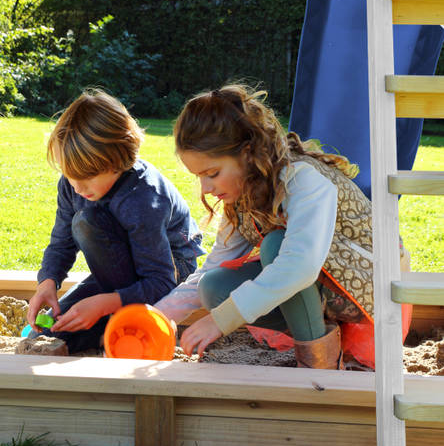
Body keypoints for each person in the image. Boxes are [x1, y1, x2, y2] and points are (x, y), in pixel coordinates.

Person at [154, 84, 411, 370]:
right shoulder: (240, 197)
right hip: (322, 284)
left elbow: (299, 265)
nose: (206, 187)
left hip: (374, 284)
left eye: (212, 174)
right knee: (213, 287)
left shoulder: (302, 179)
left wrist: (221, 320)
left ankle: (319, 366)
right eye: (199, 177)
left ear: (248, 153)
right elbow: (216, 264)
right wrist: (158, 315)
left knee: (277, 246)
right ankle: (320, 334)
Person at [26, 89, 205, 353]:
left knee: (87, 223)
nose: (76, 186)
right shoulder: (73, 183)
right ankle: (110, 324)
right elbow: (61, 242)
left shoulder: (143, 197)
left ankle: (119, 321)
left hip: (169, 270)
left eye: (87, 176)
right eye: (69, 174)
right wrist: (48, 281)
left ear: (119, 160)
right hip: (118, 271)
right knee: (53, 330)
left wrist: (103, 303)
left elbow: (161, 281)